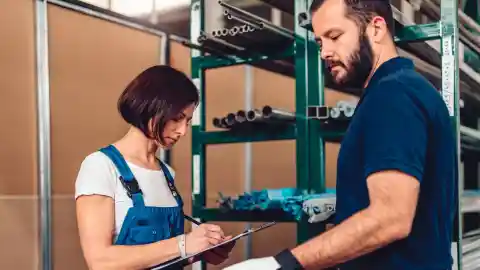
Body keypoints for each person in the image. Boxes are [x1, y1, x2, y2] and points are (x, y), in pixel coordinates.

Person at [224, 0, 458, 269]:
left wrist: (282, 263)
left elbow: (391, 217)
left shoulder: (393, 96)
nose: (325, 52)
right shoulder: (403, 90)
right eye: (320, 42)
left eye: (334, 36)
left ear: (376, 28)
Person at [75, 65, 235, 270]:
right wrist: (183, 244)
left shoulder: (166, 174)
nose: (183, 131)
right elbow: (100, 261)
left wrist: (197, 252)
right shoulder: (100, 166)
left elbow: (162, 256)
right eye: (177, 118)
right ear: (149, 107)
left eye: (187, 121)